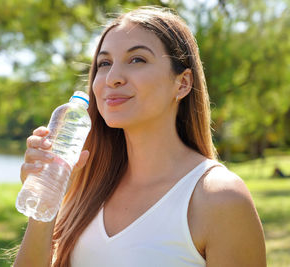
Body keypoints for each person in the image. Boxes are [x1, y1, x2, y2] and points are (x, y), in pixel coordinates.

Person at [14, 6, 266, 267]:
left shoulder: (220, 199)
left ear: (182, 83)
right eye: (104, 63)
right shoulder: (85, 189)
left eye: (137, 60)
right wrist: (47, 200)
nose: (112, 78)